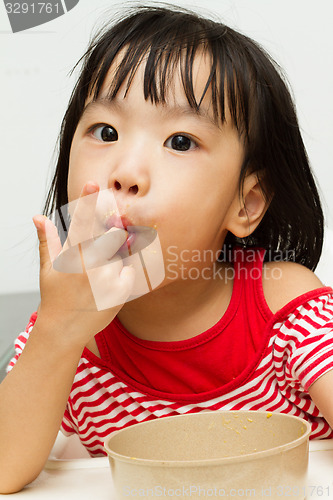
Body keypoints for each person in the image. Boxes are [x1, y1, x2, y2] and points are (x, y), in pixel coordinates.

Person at [1, 3, 333, 493]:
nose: (126, 173)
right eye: (105, 132)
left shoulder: (284, 306)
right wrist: (58, 332)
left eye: (180, 141)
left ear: (246, 204)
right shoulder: (67, 333)